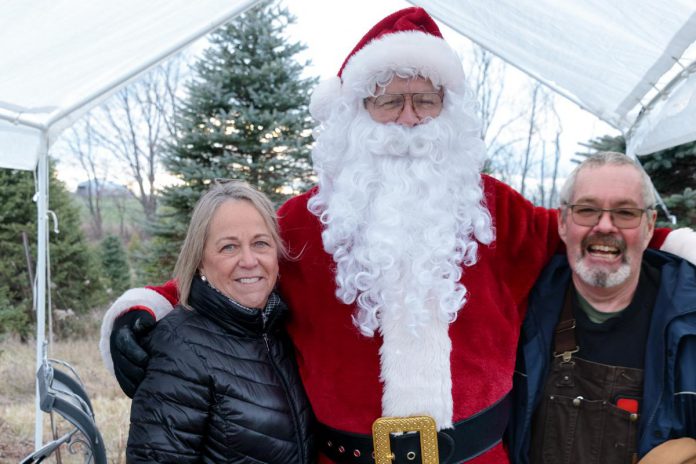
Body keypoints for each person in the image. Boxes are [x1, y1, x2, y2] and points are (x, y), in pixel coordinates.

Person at [100, 8, 695, 464]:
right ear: (358, 110)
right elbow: (229, 263)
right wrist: (143, 308)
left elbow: (585, 228)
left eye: (425, 101)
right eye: (390, 102)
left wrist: (675, 242)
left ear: (447, 109)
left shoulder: (491, 207)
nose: (410, 118)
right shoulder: (306, 220)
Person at [508, 152, 696, 464]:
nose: (605, 226)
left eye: (625, 212)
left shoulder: (689, 322)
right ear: (563, 223)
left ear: (650, 226)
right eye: (587, 210)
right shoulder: (522, 308)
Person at [123, 181, 314, 463]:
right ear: (200, 260)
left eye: (260, 243)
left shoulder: (281, 330)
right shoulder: (180, 348)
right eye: (229, 247)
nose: (249, 261)